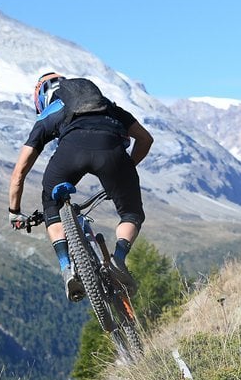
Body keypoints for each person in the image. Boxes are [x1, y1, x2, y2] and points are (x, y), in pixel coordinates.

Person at [8, 71, 154, 301]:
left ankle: (67, 269)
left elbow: (20, 171)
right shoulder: (108, 106)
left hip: (70, 152)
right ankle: (118, 259)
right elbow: (146, 139)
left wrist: (14, 212)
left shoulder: (51, 112)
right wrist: (125, 170)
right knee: (131, 214)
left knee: (52, 207)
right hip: (112, 151)